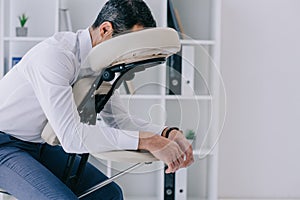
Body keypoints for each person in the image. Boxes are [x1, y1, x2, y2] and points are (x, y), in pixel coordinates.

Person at [0, 0, 194, 199]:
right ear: (105, 30)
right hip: (3, 145)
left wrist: (166, 133)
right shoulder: (56, 56)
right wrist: (149, 141)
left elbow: (120, 121)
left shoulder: (100, 66)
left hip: (37, 145)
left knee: (109, 195)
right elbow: (72, 137)